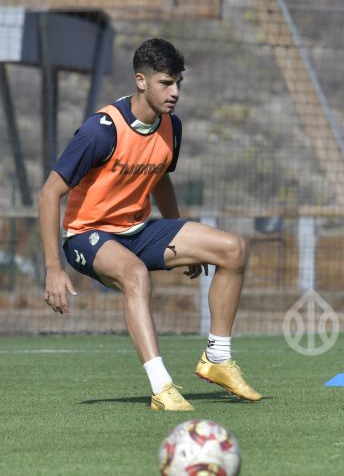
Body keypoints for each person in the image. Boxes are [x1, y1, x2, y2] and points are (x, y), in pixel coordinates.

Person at [38, 38, 262, 411]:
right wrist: (52, 269)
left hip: (138, 230)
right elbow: (49, 194)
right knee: (135, 275)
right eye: (166, 83)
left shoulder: (172, 127)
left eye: (178, 83)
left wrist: (180, 235)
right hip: (87, 235)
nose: (175, 92)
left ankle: (218, 359)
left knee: (233, 249)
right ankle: (162, 388)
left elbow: (159, 178)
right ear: (141, 81)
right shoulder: (101, 130)